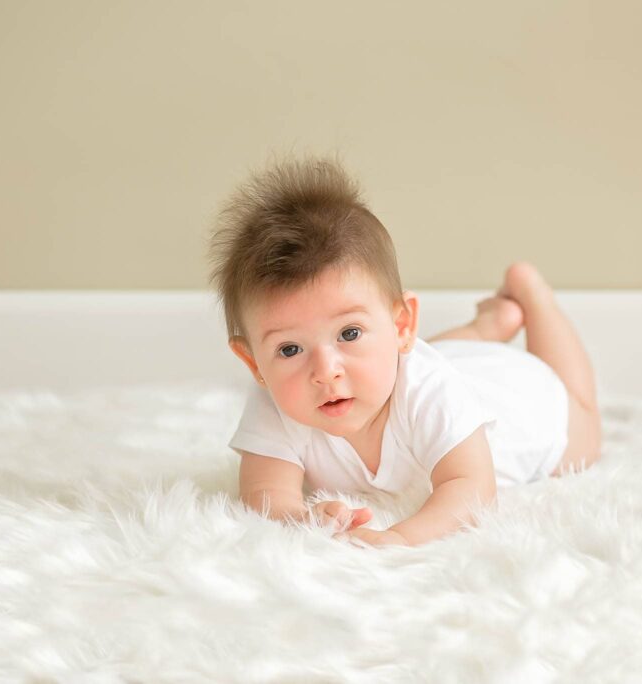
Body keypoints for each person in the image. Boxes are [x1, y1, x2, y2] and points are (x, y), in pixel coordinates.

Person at [206, 154, 602, 548]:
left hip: (517, 395)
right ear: (254, 362)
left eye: (349, 333)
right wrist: (300, 518)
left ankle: (533, 296)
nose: (325, 371)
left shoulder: (432, 391)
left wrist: (398, 537)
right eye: (290, 348)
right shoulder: (277, 402)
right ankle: (485, 328)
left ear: (402, 325)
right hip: (429, 360)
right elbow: (265, 496)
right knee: (413, 357)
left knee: (583, 430)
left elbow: (471, 487)